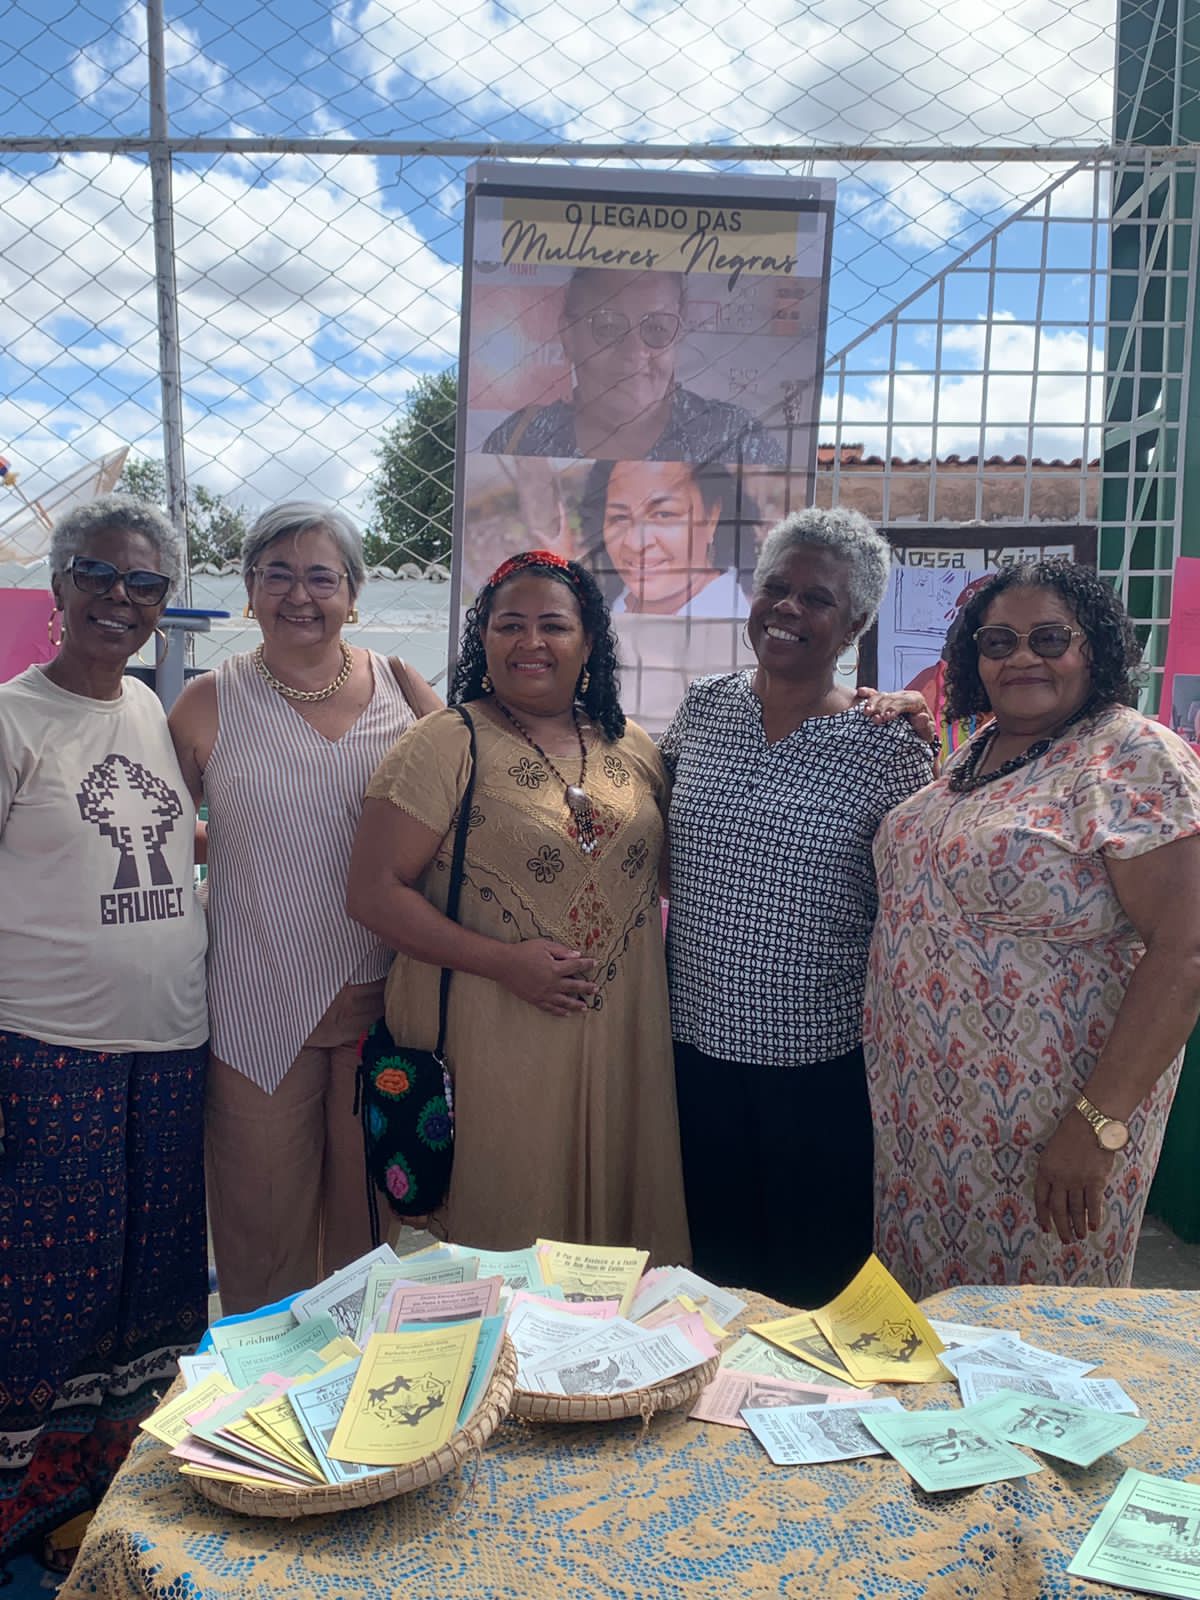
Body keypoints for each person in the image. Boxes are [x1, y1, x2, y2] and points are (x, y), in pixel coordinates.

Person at [865, 559, 1200, 1297]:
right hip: (924, 1123)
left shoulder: (1133, 756)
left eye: (1049, 638)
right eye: (998, 641)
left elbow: (1186, 951)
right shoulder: (977, 751)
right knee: (927, 1324)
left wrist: (1097, 1124)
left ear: (1094, 647)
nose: (1021, 657)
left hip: (1050, 1129)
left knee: (1032, 1335)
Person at [347, 550, 690, 1263]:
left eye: (554, 626)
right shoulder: (445, 744)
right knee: (505, 1250)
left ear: (589, 642)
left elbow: (669, 877)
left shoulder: (633, 747)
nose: (531, 642)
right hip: (494, 1048)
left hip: (622, 1051)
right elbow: (372, 893)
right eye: (510, 625)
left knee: (620, 1263)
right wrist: (505, 963)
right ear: (484, 639)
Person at [0, 495, 207, 1570]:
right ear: (58, 584)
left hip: (169, 1047)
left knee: (152, 1280)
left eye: (145, 583)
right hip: (47, 1050)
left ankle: (117, 1490)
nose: (119, 597)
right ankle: (23, 1505)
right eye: (97, 573)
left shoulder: (153, 715)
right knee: (46, 1286)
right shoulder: (13, 719)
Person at [169, 502, 440, 1315]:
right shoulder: (207, 703)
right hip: (255, 1007)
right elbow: (160, 834)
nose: (299, 595)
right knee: (261, 1243)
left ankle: (361, 1389)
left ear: (352, 593)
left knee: (367, 1248)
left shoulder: (402, 690)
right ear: (249, 589)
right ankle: (266, 1391)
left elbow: (466, 809)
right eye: (276, 575)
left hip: (380, 1008)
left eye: (321, 577)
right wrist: (243, 850)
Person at [660, 508, 935, 1308]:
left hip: (818, 1068)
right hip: (692, 1050)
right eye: (776, 588)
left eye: (816, 598)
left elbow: (916, 895)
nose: (787, 608)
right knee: (710, 1282)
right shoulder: (705, 709)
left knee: (813, 1289)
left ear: (854, 625)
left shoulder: (889, 746)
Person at [482, 268, 785, 464]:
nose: (635, 352)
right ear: (568, 336)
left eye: (657, 328)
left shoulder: (738, 441)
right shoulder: (519, 442)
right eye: (608, 326)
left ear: (678, 338)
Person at [578, 458, 759, 617]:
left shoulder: (727, 625)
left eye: (664, 514)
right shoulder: (618, 604)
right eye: (620, 517)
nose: (635, 543)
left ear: (712, 517)